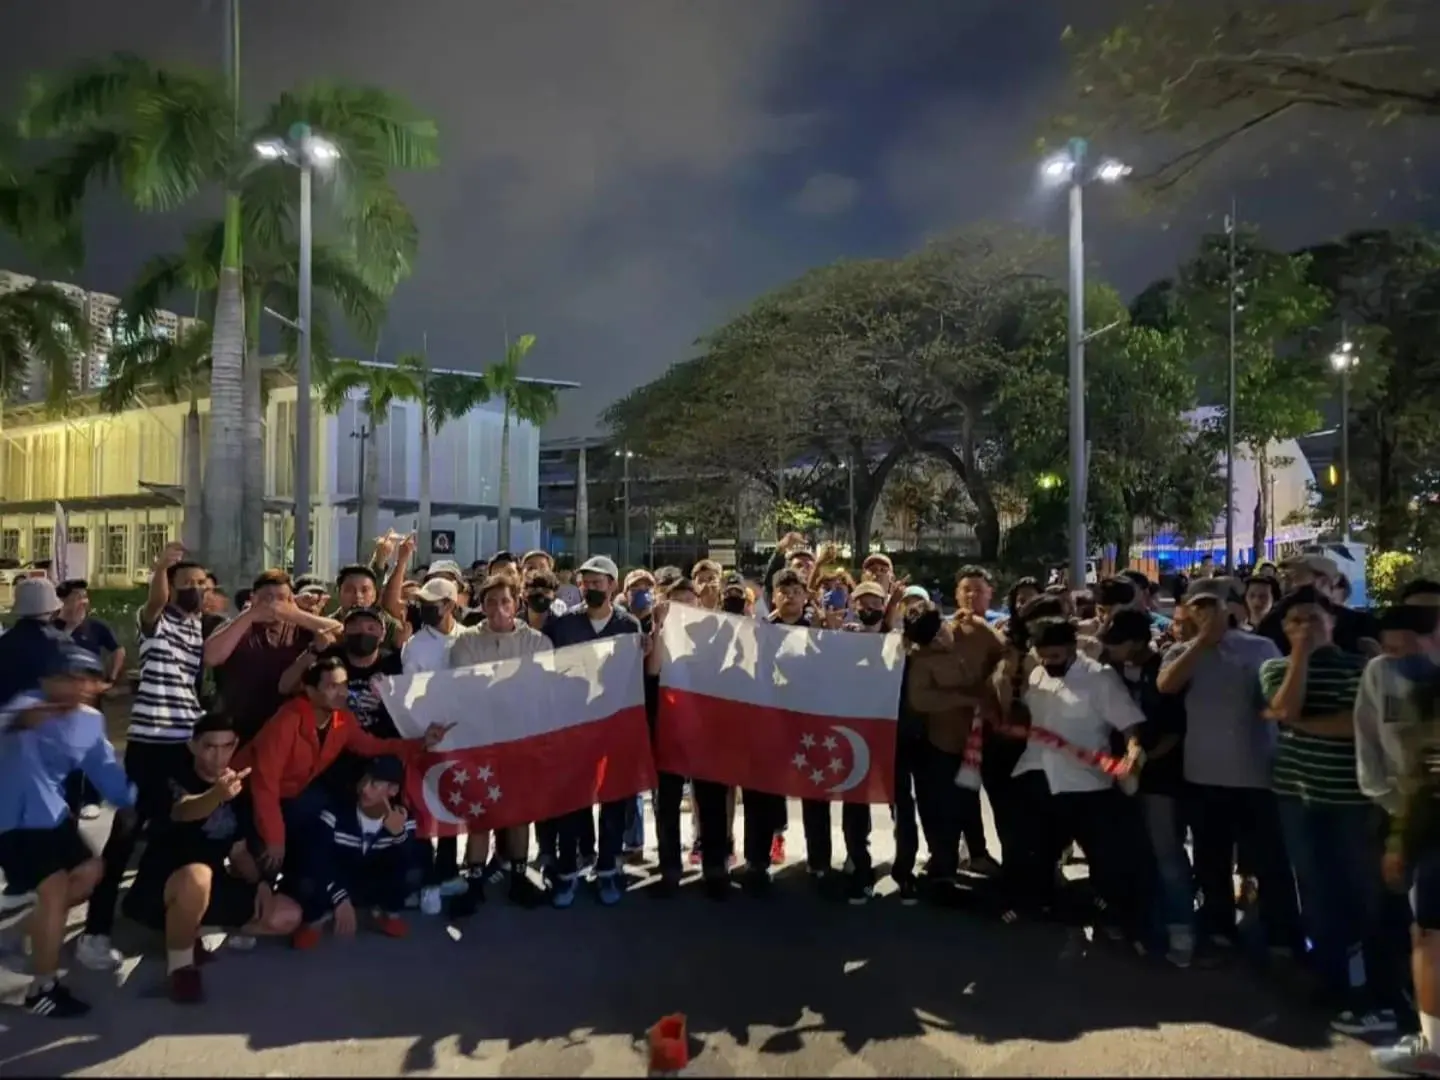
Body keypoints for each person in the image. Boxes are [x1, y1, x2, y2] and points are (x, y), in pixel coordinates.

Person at [1260, 586, 1400, 1035]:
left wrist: (1301, 724)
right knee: (1316, 892)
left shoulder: (1364, 669)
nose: (1304, 626)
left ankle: (1380, 989)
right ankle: (1330, 978)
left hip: (1352, 801)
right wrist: (1300, 656)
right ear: (1283, 629)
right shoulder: (1276, 667)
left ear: (1334, 622)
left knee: (1365, 895)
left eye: (1313, 619)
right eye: (1295, 621)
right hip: (1297, 799)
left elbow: (1364, 729)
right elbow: (1285, 705)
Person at [79, 543, 210, 973]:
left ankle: (167, 917)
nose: (193, 590)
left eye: (199, 584)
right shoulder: (155, 620)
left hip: (184, 743)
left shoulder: (198, 628)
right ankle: (95, 931)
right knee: (128, 829)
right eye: (185, 584)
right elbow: (153, 603)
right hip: (150, 742)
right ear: (170, 589)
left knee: (179, 827)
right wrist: (159, 568)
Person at [1158, 578, 1300, 958]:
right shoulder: (1180, 651)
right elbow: (1166, 686)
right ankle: (1219, 929)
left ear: (1231, 609)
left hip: (1256, 774)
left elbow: (1279, 699)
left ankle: (1281, 935)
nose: (1204, 615)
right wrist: (1202, 643)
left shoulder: (1261, 647)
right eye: (1196, 608)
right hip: (1203, 775)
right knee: (1211, 860)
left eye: (1212, 607)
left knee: (1270, 860)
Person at [234, 657, 450, 908]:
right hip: (245, 795)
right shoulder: (286, 721)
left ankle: (310, 888)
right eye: (331, 686)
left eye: (344, 685)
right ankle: (255, 898)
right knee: (266, 858)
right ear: (310, 690)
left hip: (291, 794)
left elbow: (372, 746)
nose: (341, 692)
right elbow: (264, 785)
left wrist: (422, 742)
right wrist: (275, 838)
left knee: (318, 824)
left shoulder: (342, 719)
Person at [121, 713, 302, 1003]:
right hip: (162, 889)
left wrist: (261, 885)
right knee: (198, 876)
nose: (219, 755)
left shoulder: (238, 786)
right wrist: (216, 795)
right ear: (193, 746)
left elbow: (239, 850)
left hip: (211, 887)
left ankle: (195, 930)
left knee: (287, 915)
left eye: (227, 746)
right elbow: (182, 811)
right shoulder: (172, 776)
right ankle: (181, 966)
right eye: (210, 747)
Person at [0, 645, 136, 1017]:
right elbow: (10, 721)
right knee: (54, 888)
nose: (76, 686)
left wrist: (132, 801)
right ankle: (40, 989)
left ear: (96, 686)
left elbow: (103, 766)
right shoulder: (26, 705)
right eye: (67, 678)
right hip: (12, 817)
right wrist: (31, 717)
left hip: (54, 815)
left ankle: (21, 937)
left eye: (85, 679)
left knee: (90, 872)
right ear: (48, 681)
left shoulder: (90, 721)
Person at [1005, 619, 1149, 942]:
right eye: (1043, 656)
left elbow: (1130, 726)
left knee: (1104, 860)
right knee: (1036, 853)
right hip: (1039, 775)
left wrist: (1131, 756)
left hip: (1087, 786)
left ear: (1072, 649)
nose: (1048, 663)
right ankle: (1040, 912)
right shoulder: (1038, 674)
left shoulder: (1100, 679)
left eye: (1055, 656)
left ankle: (1111, 918)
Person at [445, 576, 552, 912]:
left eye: (504, 601)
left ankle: (518, 876)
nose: (498, 609)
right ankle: (473, 881)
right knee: (481, 811)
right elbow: (467, 688)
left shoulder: (538, 642)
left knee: (520, 812)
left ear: (516, 602)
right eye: (490, 602)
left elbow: (541, 688)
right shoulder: (466, 643)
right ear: (482, 605)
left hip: (522, 738)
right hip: (481, 738)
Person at [542, 555, 643, 908]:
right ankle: (567, 872)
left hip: (613, 727)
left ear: (613, 585)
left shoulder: (629, 626)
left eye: (599, 581)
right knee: (572, 801)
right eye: (586, 581)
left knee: (613, 803)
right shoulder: (563, 625)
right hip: (572, 726)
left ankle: (607, 871)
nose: (591, 587)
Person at [1101, 609, 1192, 967]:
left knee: (1167, 855)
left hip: (1161, 778)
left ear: (1138, 642)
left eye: (1117, 642)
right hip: (1121, 775)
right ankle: (1142, 926)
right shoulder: (1112, 673)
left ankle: (1182, 930)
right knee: (1134, 853)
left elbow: (1174, 729)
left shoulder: (1163, 671)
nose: (1111, 649)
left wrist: (1142, 760)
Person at [291, 756, 427, 949]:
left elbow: (412, 860)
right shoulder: (335, 813)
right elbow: (316, 858)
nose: (364, 789)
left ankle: (388, 912)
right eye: (364, 780)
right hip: (337, 881)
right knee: (308, 879)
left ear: (393, 791)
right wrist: (340, 897)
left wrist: (399, 835)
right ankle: (315, 920)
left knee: (412, 873)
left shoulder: (405, 818)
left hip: (371, 881)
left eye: (374, 784)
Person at [205, 569, 342, 743]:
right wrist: (250, 615)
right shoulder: (239, 626)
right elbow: (211, 657)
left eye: (281, 598)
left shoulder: (300, 628)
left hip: (289, 730)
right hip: (240, 727)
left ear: (291, 599)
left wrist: (296, 614)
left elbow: (339, 631)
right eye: (267, 598)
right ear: (253, 598)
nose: (274, 604)